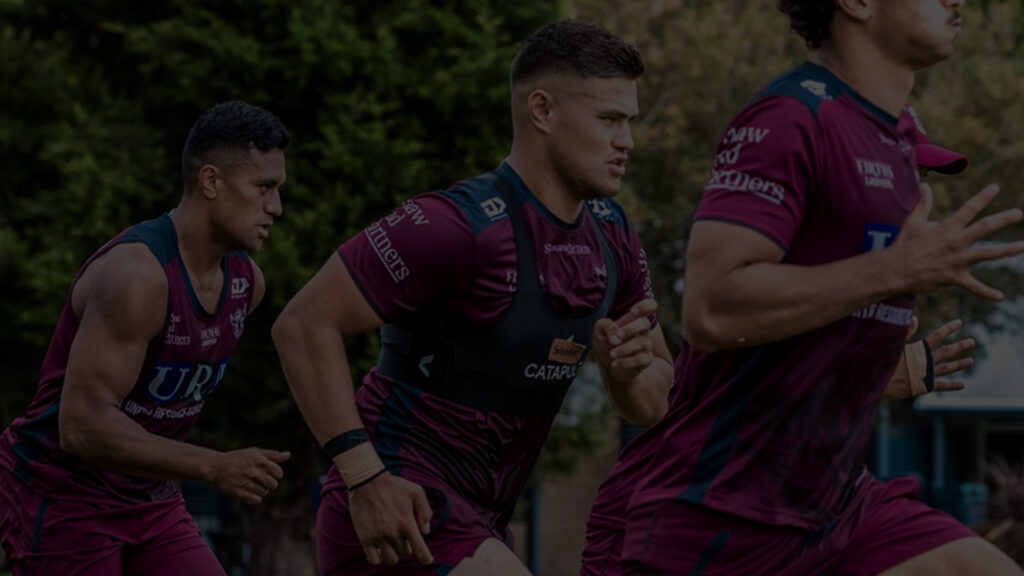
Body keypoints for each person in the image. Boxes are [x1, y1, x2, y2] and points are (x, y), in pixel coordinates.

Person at [604, 1, 1024, 574]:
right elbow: (711, 308)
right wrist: (898, 270)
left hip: (840, 506)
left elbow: (814, 340)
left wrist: (879, 366)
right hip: (723, 517)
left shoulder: (898, 139)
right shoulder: (789, 115)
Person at [273, 19, 673, 576]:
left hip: (482, 521)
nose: (626, 140)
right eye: (609, 119)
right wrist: (365, 477)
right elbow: (302, 324)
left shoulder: (613, 233)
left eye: (628, 121)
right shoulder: (455, 225)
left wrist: (627, 373)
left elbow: (654, 402)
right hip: (400, 505)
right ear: (542, 110)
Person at [580, 108, 975, 576]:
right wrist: (866, 373)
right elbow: (746, 385)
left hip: (782, 522)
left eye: (924, 177)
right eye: (908, 175)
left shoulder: (869, 271)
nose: (919, 195)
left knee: (965, 561)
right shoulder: (775, 256)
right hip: (669, 520)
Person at [0, 100, 291, 576]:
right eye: (264, 188)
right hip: (62, 492)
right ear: (212, 182)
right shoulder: (136, 278)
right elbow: (82, 427)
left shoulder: (247, 285)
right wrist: (213, 466)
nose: (275, 207)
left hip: (148, 497)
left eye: (278, 190)